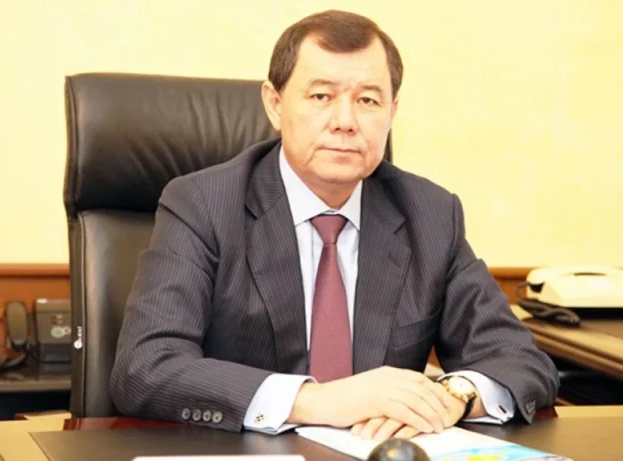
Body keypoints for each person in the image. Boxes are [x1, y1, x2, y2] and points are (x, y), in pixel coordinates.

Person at [109, 9, 559, 441]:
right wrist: (317, 401)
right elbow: (146, 368)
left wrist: (452, 396)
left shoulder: (430, 214)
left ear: (392, 112)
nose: (345, 122)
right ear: (274, 104)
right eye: (321, 96)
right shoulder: (204, 204)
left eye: (367, 101)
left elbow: (520, 360)